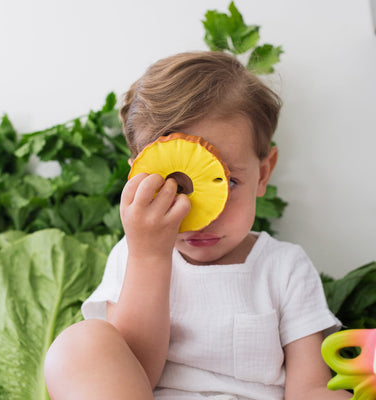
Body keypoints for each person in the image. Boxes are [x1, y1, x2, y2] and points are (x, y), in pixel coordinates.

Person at [44, 51, 351, 400]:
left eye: (227, 182)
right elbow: (135, 373)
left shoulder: (284, 267)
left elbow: (310, 387)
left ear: (263, 174)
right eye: (170, 187)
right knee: (79, 344)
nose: (200, 213)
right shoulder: (131, 257)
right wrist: (149, 257)